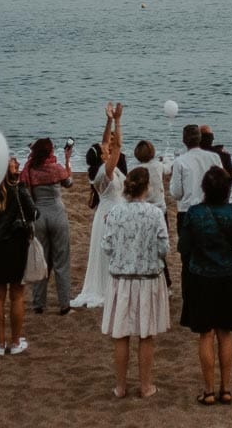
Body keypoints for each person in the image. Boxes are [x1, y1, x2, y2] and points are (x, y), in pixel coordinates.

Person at [179, 165, 232, 405]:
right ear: (227, 190)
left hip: (201, 276)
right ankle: (226, 388)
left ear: (204, 189)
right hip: (228, 275)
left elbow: (184, 248)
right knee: (226, 333)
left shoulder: (194, 213)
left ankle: (208, 391)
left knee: (205, 334)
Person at [101, 165, 171, 398]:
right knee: (145, 334)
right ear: (147, 187)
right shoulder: (155, 213)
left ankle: (120, 386)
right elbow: (164, 248)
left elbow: (107, 247)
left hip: (121, 278)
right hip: (147, 278)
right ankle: (145, 385)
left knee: (121, 334)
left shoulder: (115, 213)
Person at [0, 157, 35, 356]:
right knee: (17, 295)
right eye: (14, 163)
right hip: (16, 245)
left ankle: (0, 344)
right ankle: (16, 341)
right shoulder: (19, 190)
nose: (18, 164)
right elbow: (34, 213)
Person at [72, 104, 127, 311]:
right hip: (111, 213)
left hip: (107, 210)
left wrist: (109, 120)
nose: (107, 146)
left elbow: (106, 141)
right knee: (112, 253)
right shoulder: (106, 172)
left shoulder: (99, 170)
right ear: (102, 156)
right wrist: (119, 120)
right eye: (105, 149)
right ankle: (110, 288)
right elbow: (118, 145)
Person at [21, 137, 74, 315]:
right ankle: (64, 304)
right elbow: (69, 183)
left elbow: (26, 192)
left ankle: (38, 304)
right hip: (57, 215)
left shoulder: (30, 169)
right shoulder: (56, 168)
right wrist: (67, 160)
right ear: (50, 152)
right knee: (61, 261)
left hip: (39, 216)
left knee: (40, 260)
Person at [171, 124, 223, 216]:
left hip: (187, 210)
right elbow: (221, 184)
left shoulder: (179, 161)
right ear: (200, 139)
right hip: (210, 208)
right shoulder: (214, 157)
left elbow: (177, 193)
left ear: (184, 140)